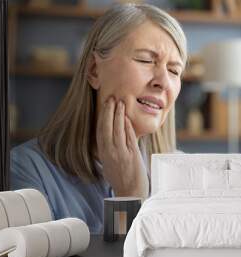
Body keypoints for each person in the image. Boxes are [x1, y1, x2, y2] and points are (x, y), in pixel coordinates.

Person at [10, 3, 187, 234]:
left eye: (174, 71)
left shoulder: (185, 175)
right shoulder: (25, 171)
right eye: (145, 60)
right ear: (94, 70)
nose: (163, 82)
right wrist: (130, 197)